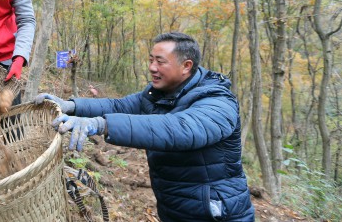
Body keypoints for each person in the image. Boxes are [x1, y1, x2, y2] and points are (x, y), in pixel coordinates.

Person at [35, 32, 255, 222]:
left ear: (186, 66)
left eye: (160, 62)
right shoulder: (158, 94)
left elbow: (179, 129)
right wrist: (72, 106)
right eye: (151, 60)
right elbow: (118, 105)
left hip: (215, 212)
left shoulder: (217, 100)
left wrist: (101, 124)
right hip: (175, 207)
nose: (152, 67)